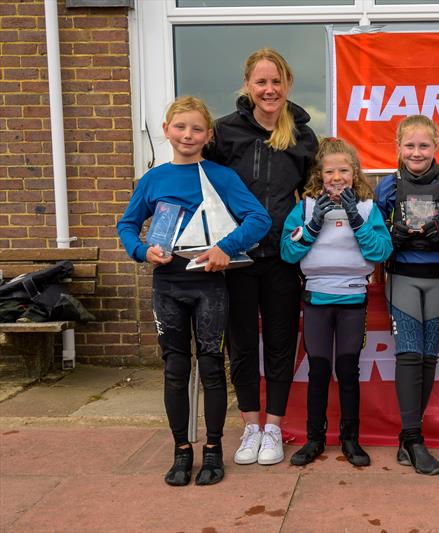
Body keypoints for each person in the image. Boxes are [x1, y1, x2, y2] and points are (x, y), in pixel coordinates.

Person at [117, 96, 271, 486]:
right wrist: (141, 250)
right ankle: (181, 451)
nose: (188, 134)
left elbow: (259, 218)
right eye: (180, 127)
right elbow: (127, 225)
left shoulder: (220, 175)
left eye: (197, 129)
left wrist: (225, 248)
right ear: (167, 129)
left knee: (213, 367)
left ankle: (214, 451)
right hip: (167, 285)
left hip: (209, 285)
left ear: (208, 135)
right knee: (175, 370)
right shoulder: (153, 179)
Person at [203, 48, 319, 467]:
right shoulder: (225, 132)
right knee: (242, 345)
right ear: (248, 86)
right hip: (236, 258)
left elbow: (313, 195)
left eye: (276, 82)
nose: (269, 89)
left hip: (282, 259)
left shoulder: (304, 136)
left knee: (281, 344)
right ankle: (250, 424)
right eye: (261, 82)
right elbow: (205, 189)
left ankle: (273, 427)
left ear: (287, 85)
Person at [280, 137, 393, 467]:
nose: (337, 177)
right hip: (317, 298)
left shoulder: (368, 208)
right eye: (330, 171)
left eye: (344, 169)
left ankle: (350, 440)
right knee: (318, 371)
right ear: (321, 174)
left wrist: (356, 222)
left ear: (354, 172)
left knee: (347, 370)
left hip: (352, 298)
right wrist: (313, 225)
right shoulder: (305, 207)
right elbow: (288, 252)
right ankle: (314, 439)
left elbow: (380, 252)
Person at [374, 115, 439, 475]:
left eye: (424, 146)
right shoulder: (387, 186)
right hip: (403, 278)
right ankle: (414, 439)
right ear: (398, 147)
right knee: (409, 355)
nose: (417, 152)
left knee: (429, 356)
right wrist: (391, 236)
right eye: (410, 146)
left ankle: (407, 439)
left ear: (437, 146)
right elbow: (375, 238)